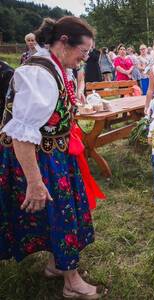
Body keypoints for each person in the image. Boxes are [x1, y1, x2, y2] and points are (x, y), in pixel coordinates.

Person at [0, 16, 104, 298]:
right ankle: (71, 281)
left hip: (54, 156)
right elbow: (22, 134)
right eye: (83, 52)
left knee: (57, 214)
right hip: (37, 160)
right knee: (62, 216)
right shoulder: (39, 74)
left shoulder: (55, 67)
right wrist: (34, 182)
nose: (84, 59)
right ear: (63, 42)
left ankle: (56, 265)